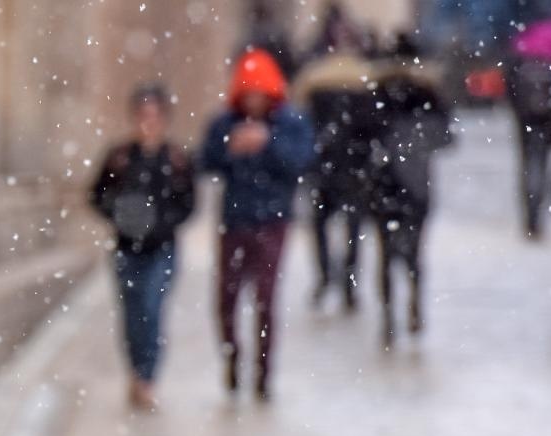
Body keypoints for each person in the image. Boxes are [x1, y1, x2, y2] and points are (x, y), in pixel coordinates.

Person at [200, 48, 315, 400]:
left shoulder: (290, 123)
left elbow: (303, 162)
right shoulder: (224, 123)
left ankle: (264, 374)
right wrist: (231, 148)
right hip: (235, 220)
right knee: (227, 298)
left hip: (273, 221)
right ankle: (232, 357)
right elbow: (205, 162)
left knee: (266, 298)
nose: (253, 103)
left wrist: (268, 144)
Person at [89, 83, 197, 410]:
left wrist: (162, 223)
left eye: (154, 115)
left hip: (161, 247)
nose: (148, 121)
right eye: (143, 114)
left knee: (152, 309)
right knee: (132, 315)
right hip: (126, 248)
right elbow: (96, 196)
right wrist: (120, 216)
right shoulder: (119, 157)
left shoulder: (176, 158)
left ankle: (148, 378)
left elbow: (189, 203)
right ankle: (136, 373)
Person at [362, 36, 454, 348]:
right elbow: (446, 136)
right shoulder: (422, 93)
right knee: (405, 255)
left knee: (393, 255)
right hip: (405, 186)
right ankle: (400, 311)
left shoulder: (383, 94)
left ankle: (396, 313)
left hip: (394, 186)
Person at [294, 50, 376, 309]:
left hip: (328, 171)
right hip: (349, 172)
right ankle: (346, 282)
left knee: (323, 226)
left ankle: (328, 276)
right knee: (351, 229)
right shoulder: (361, 96)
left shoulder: (317, 95)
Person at [505, 57, 551, 239]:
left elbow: (511, 91)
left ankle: (532, 217)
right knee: (537, 170)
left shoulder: (521, 64)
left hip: (532, 125)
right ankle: (534, 216)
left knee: (531, 170)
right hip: (539, 125)